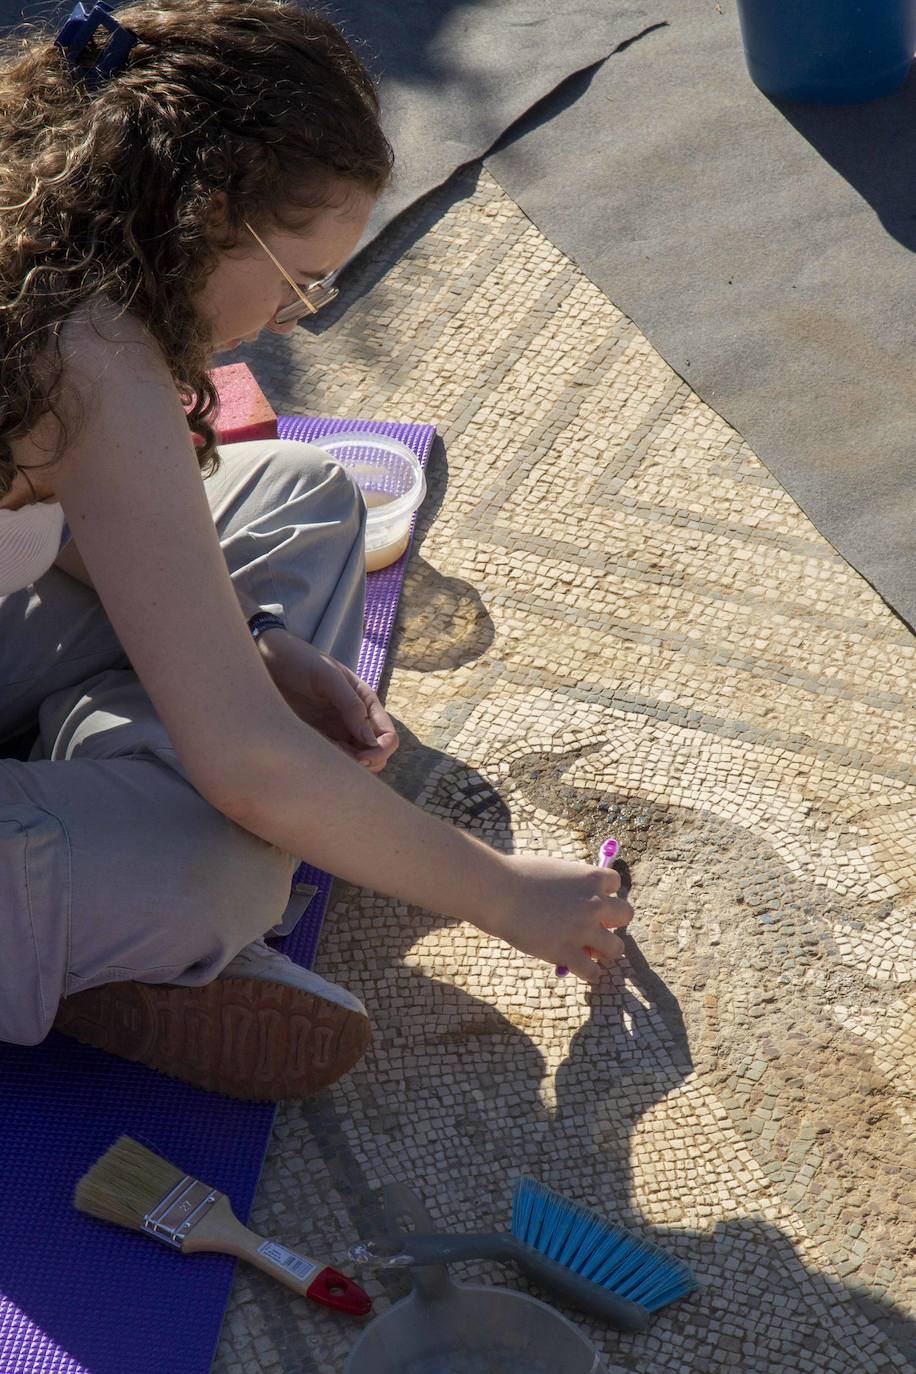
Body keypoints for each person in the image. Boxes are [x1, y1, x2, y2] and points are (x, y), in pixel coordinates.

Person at [0, 0, 632, 1100]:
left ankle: (85, 875)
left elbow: (43, 510)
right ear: (201, 216)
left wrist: (245, 641)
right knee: (218, 866)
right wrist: (502, 892)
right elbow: (248, 770)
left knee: (296, 490)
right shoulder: (88, 351)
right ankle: (96, 921)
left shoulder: (42, 261)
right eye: (298, 282)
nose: (296, 320)